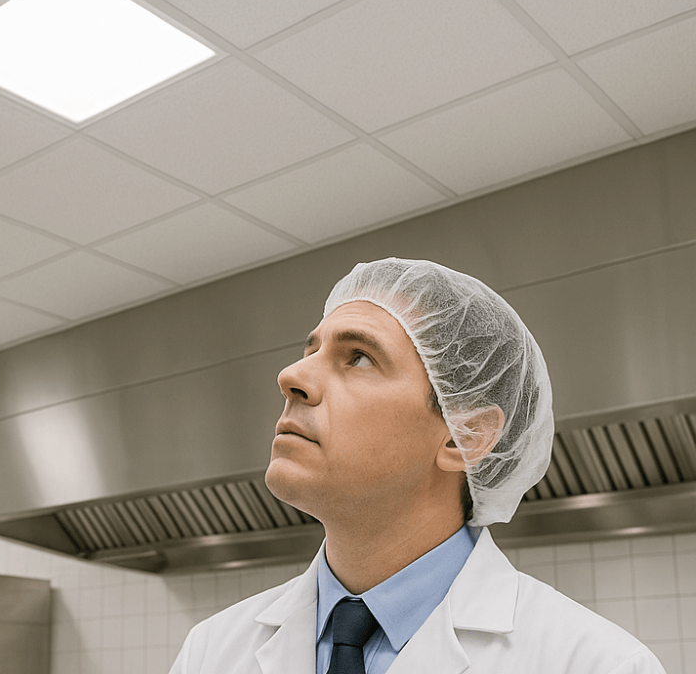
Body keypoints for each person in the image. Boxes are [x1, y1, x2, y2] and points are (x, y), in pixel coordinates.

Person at [169, 258, 664, 674]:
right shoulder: (210, 652)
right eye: (312, 351)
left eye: (359, 357)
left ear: (463, 436)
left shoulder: (598, 664)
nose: (291, 375)